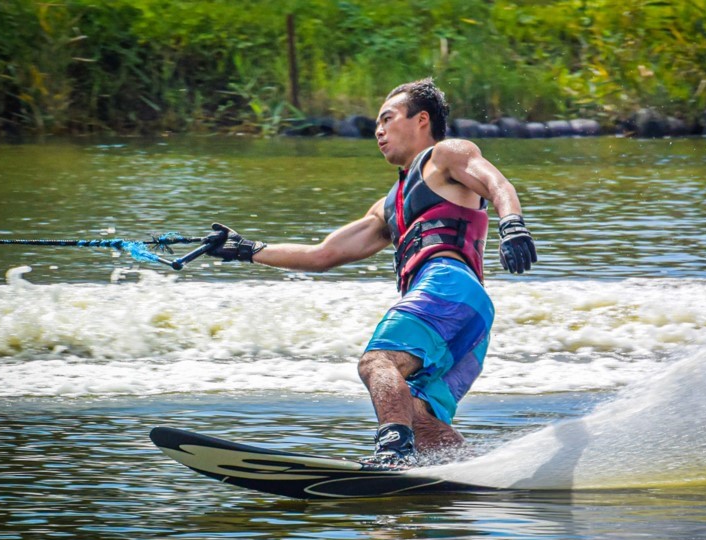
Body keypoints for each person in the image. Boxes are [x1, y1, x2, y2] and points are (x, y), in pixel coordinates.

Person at [204, 78, 536, 467]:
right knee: (416, 412)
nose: (377, 130)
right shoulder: (388, 207)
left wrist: (512, 224)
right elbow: (323, 254)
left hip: (448, 285)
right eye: (376, 123)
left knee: (378, 363)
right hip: (468, 320)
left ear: (421, 119)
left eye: (387, 118)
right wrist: (246, 250)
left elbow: (496, 182)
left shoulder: (447, 155)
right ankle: (479, 481)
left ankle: (391, 458)